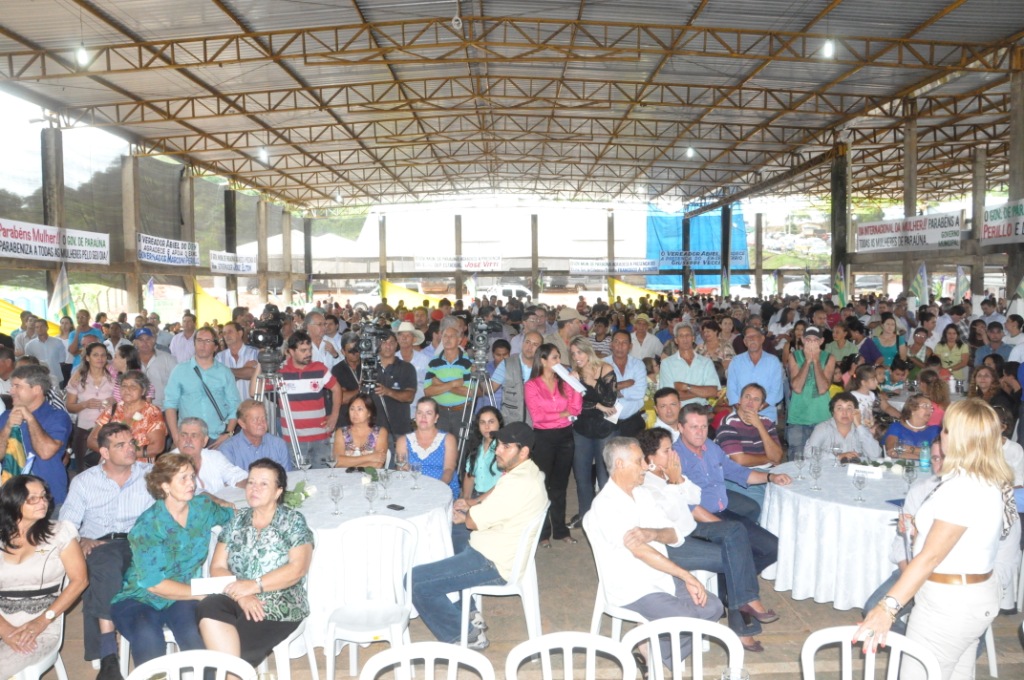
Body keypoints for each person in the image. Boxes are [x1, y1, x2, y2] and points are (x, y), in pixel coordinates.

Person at [853, 399, 1017, 680]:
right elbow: (967, 538)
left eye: (946, 429)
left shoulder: (963, 487)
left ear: (961, 437)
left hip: (949, 604)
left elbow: (931, 557)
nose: (941, 433)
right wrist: (918, 531)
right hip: (972, 595)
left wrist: (887, 607)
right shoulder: (987, 477)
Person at [584, 437, 724, 670]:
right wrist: (686, 576)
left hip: (661, 577)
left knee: (713, 608)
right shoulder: (606, 505)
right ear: (620, 464)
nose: (645, 466)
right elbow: (641, 552)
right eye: (639, 461)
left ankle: (653, 647)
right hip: (634, 588)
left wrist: (652, 533)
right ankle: (656, 648)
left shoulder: (643, 494)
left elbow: (674, 534)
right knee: (689, 620)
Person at [411, 421, 547, 649]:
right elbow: (489, 510)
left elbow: (473, 522)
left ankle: (467, 635)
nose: (498, 450)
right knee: (452, 533)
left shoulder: (516, 483)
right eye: (499, 444)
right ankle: (469, 611)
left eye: (506, 447)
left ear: (523, 452)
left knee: (415, 581)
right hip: (501, 543)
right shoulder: (529, 471)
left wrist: (467, 514)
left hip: (493, 562)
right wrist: (467, 512)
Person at [637, 429, 775, 653]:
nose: (673, 454)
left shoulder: (669, 473)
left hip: (690, 528)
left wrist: (678, 479)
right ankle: (743, 626)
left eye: (672, 448)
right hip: (672, 543)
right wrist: (674, 482)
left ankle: (746, 600)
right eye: (667, 450)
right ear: (650, 457)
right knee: (737, 556)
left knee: (736, 530)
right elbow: (672, 515)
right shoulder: (647, 484)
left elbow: (695, 496)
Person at [110, 453, 233, 667]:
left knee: (194, 633)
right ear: (165, 485)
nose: (191, 483)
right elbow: (154, 584)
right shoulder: (149, 525)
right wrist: (202, 594)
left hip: (182, 595)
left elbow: (234, 518)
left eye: (192, 476)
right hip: (140, 597)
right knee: (148, 636)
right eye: (183, 478)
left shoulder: (202, 508)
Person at [198, 458, 314, 666]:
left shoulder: (292, 521)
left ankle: (230, 670)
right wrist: (242, 594)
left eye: (263, 484)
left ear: (278, 492)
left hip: (279, 602)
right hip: (238, 595)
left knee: (239, 649)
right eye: (251, 482)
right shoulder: (236, 520)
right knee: (208, 607)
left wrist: (254, 586)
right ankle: (229, 670)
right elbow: (217, 567)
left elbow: (298, 569)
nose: (254, 488)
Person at [61, 422, 154, 678]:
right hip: (99, 543)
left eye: (131, 443)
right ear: (104, 452)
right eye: (120, 445)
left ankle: (106, 650)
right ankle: (109, 650)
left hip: (139, 543)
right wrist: (81, 539)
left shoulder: (150, 474)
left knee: (107, 567)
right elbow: (67, 523)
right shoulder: (84, 482)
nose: (130, 448)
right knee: (106, 562)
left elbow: (182, 496)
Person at [0, 475, 88, 677]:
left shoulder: (60, 533)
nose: (42, 502)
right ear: (13, 501)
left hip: (41, 626)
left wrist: (42, 621)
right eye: (33, 498)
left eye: (44, 496)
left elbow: (80, 581)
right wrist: (5, 630)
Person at [674, 404, 787, 558]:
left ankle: (742, 565)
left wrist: (771, 477)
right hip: (698, 521)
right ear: (681, 427)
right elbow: (686, 505)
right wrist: (724, 527)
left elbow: (737, 471)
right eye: (694, 427)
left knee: (773, 547)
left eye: (704, 426)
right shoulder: (674, 457)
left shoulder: (710, 447)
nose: (700, 433)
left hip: (722, 510)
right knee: (746, 551)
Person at [525, 343, 583, 547]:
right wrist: (563, 414)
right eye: (555, 358)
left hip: (565, 436)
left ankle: (560, 530)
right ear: (543, 361)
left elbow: (576, 409)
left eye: (559, 357)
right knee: (542, 484)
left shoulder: (563, 382)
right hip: (543, 437)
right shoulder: (532, 385)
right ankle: (542, 533)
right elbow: (538, 416)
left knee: (560, 485)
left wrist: (575, 384)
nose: (559, 361)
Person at [0, 365, 73, 503]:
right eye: (12, 386)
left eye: (17, 386)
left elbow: (46, 452)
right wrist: (8, 426)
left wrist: (30, 418)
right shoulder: (6, 416)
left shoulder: (57, 417)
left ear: (37, 389)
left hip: (46, 497)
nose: (11, 391)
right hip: (11, 496)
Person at [568, 336, 618, 528]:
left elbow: (610, 401)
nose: (576, 357)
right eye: (573, 354)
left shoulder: (606, 369)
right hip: (581, 428)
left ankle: (605, 519)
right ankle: (585, 516)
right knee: (582, 476)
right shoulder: (574, 375)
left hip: (604, 429)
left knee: (605, 477)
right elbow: (574, 406)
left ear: (588, 351)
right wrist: (597, 405)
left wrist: (594, 402)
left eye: (579, 352)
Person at [164, 326, 240, 450]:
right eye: (199, 340)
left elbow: (234, 405)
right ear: (194, 344)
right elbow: (170, 404)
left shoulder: (224, 372)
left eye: (208, 341)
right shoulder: (180, 370)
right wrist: (175, 435)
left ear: (216, 347)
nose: (202, 345)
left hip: (217, 437)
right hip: (188, 437)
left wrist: (228, 433)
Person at [87, 370, 166, 463]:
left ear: (143, 391)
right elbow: (91, 440)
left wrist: (124, 454)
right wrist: (112, 454)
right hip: (111, 465)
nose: (127, 390)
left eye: (133, 386)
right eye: (124, 386)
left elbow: (157, 447)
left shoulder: (152, 412)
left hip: (139, 467)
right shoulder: (112, 410)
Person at [65, 342, 118, 470]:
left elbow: (125, 400)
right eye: (95, 355)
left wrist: (114, 401)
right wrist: (84, 404)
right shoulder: (78, 378)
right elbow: (69, 406)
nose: (100, 358)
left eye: (103, 355)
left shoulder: (114, 376)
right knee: (83, 470)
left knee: (110, 469)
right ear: (87, 358)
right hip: (84, 429)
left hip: (109, 429)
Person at [785, 325, 835, 458]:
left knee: (822, 459)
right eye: (808, 340)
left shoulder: (829, 358)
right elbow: (796, 387)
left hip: (822, 417)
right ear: (802, 340)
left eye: (815, 340)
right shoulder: (794, 356)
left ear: (821, 341)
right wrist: (807, 361)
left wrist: (816, 361)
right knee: (797, 459)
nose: (811, 343)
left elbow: (823, 388)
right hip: (798, 417)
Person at [396, 397, 459, 497]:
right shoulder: (403, 441)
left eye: (428, 413)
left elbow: (449, 469)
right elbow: (402, 470)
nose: (423, 417)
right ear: (415, 416)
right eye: (419, 413)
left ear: (436, 417)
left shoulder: (448, 439)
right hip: (413, 489)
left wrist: (436, 488)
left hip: (442, 487)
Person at [423, 324, 474, 436]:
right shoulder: (434, 362)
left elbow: (469, 392)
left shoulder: (468, 362)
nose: (448, 339)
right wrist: (453, 383)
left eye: (452, 336)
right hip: (440, 414)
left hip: (462, 412)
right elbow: (427, 391)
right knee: (441, 445)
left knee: (461, 446)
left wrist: (440, 384)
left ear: (459, 340)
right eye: (445, 336)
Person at [174, 417, 248, 491]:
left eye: (194, 436)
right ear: (178, 438)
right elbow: (189, 491)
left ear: (205, 441)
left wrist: (251, 484)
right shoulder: (170, 462)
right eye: (183, 435)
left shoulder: (214, 457)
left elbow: (237, 476)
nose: (188, 440)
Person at [805, 392, 882, 463]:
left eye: (849, 408)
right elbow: (808, 453)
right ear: (832, 412)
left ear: (855, 411)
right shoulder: (822, 428)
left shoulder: (861, 430)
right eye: (839, 408)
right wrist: (838, 457)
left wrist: (859, 425)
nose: (844, 413)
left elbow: (875, 456)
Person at [218, 399, 293, 472]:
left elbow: (287, 477)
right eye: (255, 420)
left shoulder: (278, 445)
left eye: (264, 418)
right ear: (242, 424)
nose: (261, 423)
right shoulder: (228, 450)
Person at [659, 323, 721, 407]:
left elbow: (713, 391)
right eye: (681, 336)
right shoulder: (667, 363)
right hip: (678, 410)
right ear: (676, 340)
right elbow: (670, 395)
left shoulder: (706, 362)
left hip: (702, 409)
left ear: (693, 338)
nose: (685, 339)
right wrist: (702, 392)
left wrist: (686, 387)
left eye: (687, 335)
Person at [372, 329, 416, 444]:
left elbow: (409, 397)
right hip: (374, 430)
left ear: (396, 344)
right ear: (377, 344)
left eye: (391, 342)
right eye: (384, 342)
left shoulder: (407, 368)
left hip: (399, 429)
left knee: (401, 456)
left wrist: (388, 392)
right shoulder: (369, 368)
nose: (388, 346)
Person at [604, 331, 648, 437]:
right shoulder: (602, 364)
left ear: (630, 346)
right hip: (607, 420)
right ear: (611, 345)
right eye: (616, 342)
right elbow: (601, 392)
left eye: (624, 342)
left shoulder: (638, 364)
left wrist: (616, 390)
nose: (620, 346)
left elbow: (640, 392)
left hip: (633, 420)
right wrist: (624, 384)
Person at [498, 330, 542, 426]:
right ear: (522, 343)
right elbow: (489, 389)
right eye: (527, 342)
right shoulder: (507, 363)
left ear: (540, 348)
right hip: (511, 423)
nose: (530, 347)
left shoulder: (544, 368)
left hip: (537, 425)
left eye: (535, 344)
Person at [332, 394, 389, 469]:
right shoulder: (341, 432)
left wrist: (349, 465)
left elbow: (378, 463)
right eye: (352, 409)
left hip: (370, 475)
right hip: (345, 475)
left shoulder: (380, 432)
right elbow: (337, 462)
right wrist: (370, 457)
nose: (355, 413)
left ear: (369, 413)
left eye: (360, 409)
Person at [882, 395, 942, 460]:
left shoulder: (936, 430)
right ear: (912, 409)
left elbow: (939, 453)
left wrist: (906, 449)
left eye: (931, 408)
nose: (930, 410)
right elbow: (891, 450)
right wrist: (923, 456)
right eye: (925, 406)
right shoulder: (896, 427)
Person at [134, 326, 177, 409]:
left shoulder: (168, 359)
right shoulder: (130, 360)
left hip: (163, 408)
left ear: (154, 340)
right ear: (135, 342)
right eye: (141, 340)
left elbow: (177, 383)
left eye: (148, 339)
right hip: (135, 409)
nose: (145, 343)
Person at [215, 321, 259, 402]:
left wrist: (225, 371)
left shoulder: (255, 353)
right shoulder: (219, 357)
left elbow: (253, 373)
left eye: (230, 332)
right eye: (224, 333)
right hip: (228, 406)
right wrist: (244, 370)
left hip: (251, 406)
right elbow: (218, 380)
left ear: (240, 333)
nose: (227, 335)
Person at [24, 318, 66, 383]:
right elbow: (29, 363)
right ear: (35, 329)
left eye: (42, 326)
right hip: (39, 380)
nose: (40, 329)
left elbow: (62, 362)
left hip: (57, 378)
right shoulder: (29, 345)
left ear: (47, 328)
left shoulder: (58, 342)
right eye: (37, 327)